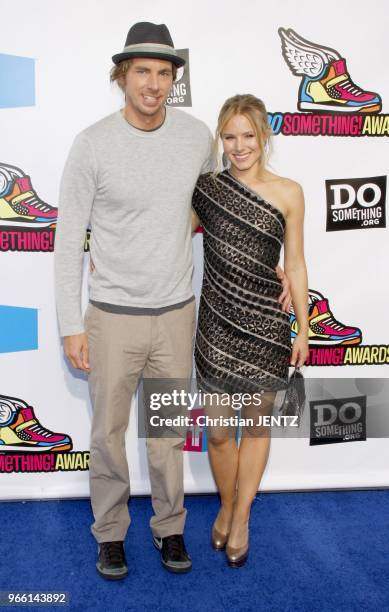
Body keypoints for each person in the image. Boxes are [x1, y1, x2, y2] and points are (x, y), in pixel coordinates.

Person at [54, 22, 291, 579]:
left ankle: (170, 529)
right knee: (108, 436)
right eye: (142, 72)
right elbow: (68, 241)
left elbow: (225, 206)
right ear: (122, 76)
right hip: (111, 318)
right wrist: (72, 323)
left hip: (176, 314)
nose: (153, 83)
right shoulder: (91, 144)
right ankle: (110, 535)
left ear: (173, 79)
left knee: (164, 435)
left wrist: (267, 259)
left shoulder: (193, 139)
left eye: (163, 73)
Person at [191, 94, 309, 568]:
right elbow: (165, 233)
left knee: (256, 426)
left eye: (248, 136)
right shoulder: (206, 189)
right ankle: (225, 502)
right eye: (230, 136)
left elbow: (295, 264)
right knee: (219, 432)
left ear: (264, 137)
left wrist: (302, 329)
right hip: (215, 322)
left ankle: (241, 517)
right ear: (222, 138)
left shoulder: (289, 192)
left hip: (265, 325)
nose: (239, 146)